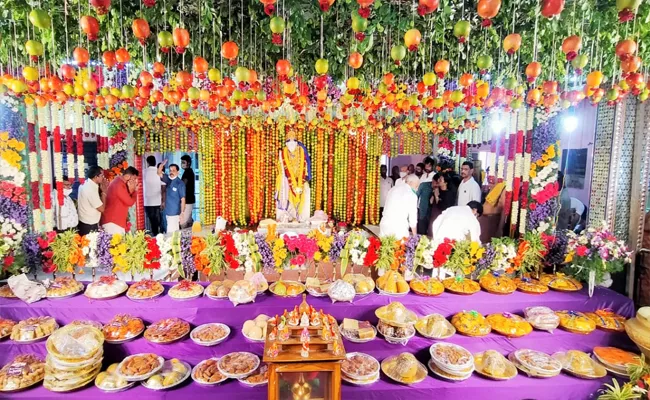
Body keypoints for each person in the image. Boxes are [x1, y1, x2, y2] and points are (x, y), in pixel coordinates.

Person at [430, 201, 483, 278]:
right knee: (456, 270)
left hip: (441, 240)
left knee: (438, 267)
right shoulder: (471, 216)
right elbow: (475, 239)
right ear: (475, 210)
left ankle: (434, 284)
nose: (476, 217)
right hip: (454, 245)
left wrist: (436, 238)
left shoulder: (451, 208)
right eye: (477, 215)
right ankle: (454, 285)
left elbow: (435, 222)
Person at [379, 174, 420, 240]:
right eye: (417, 186)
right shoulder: (411, 195)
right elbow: (413, 219)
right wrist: (415, 236)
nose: (417, 188)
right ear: (411, 183)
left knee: (384, 248)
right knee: (399, 249)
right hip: (398, 228)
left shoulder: (393, 189)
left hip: (384, 224)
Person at [101, 167, 139, 235]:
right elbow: (129, 202)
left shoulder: (120, 183)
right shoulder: (118, 184)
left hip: (116, 222)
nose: (135, 181)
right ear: (127, 176)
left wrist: (132, 191)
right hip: (113, 222)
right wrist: (135, 191)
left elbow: (125, 198)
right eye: (134, 179)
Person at [77, 166, 108, 236]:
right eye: (102, 175)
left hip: (85, 222)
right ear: (96, 177)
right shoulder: (90, 189)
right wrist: (104, 192)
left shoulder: (85, 183)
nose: (103, 178)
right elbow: (102, 209)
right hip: (89, 225)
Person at [158, 160, 186, 233]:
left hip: (174, 213)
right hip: (166, 212)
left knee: (172, 233)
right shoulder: (167, 179)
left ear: (178, 172)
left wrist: (182, 212)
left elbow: (183, 199)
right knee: (169, 232)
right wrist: (162, 165)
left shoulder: (180, 183)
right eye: (170, 170)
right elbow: (159, 172)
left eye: (173, 170)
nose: (171, 172)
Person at [144, 155, 166, 235]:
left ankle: (155, 234)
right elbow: (163, 189)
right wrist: (163, 201)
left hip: (147, 201)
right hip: (157, 201)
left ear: (147, 162)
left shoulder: (144, 172)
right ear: (155, 162)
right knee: (158, 220)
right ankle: (159, 234)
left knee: (151, 220)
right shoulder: (160, 173)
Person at [416, 158, 436, 234]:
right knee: (419, 224)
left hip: (428, 204)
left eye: (429, 166)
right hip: (419, 203)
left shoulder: (434, 175)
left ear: (432, 166)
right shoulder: (423, 175)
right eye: (426, 166)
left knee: (425, 224)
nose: (427, 168)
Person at [180, 154, 195, 229]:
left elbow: (183, 184)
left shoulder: (187, 173)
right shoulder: (188, 171)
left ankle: (184, 238)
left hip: (188, 200)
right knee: (188, 222)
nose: (182, 164)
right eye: (181, 162)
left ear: (188, 163)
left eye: (183, 162)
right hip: (189, 200)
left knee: (183, 223)